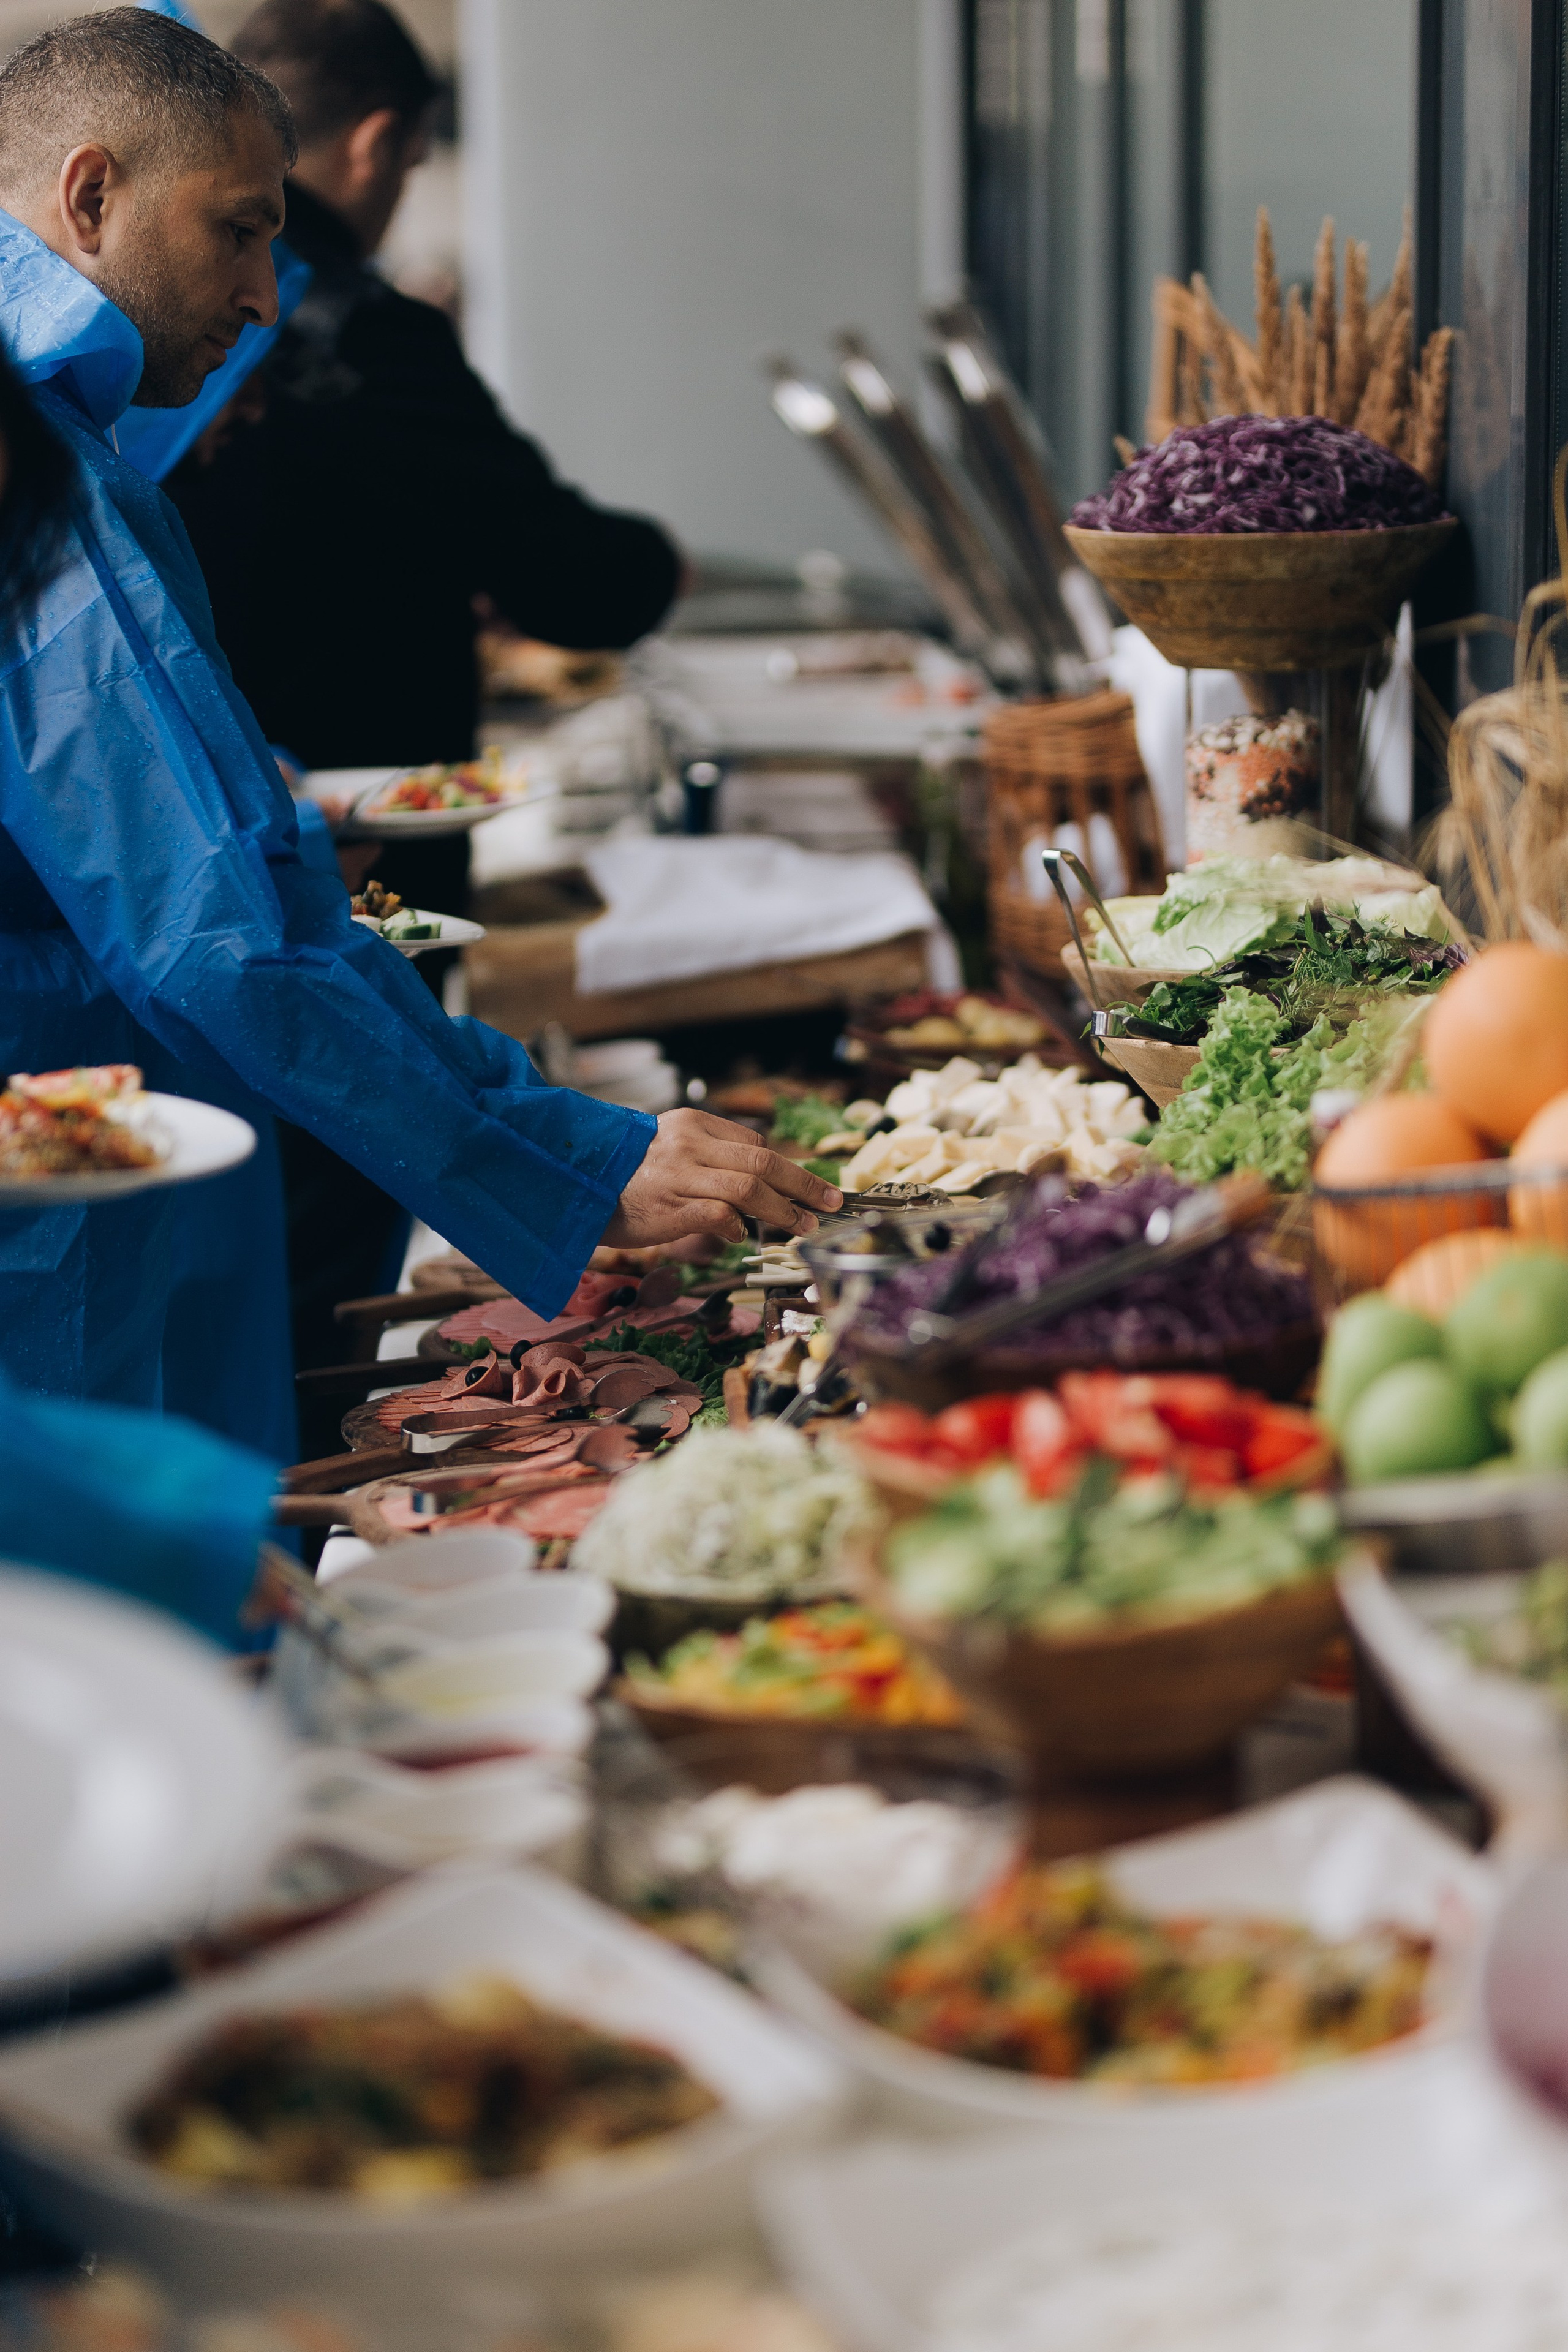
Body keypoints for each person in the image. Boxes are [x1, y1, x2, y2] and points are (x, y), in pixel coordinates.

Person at [0, 10, 836, 1448]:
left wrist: (260, 805)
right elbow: (220, 938)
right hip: (66, 1219)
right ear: (91, 194)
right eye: (240, 231)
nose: (264, 298)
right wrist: (569, 1154)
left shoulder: (59, 443)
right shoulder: (45, 478)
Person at [165, 0, 686, 1367]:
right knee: (318, 1227)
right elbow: (572, 573)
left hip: (266, 864)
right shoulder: (347, 335)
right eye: (240, 231)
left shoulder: (172, 383)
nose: (258, 300)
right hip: (326, 876)